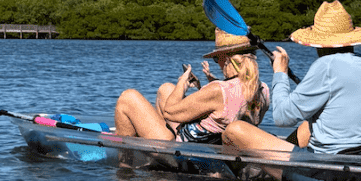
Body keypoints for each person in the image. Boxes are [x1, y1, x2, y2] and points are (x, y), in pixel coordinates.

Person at [222, 0, 361, 160]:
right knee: (306, 126)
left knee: (235, 130)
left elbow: (282, 117)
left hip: (330, 168)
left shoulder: (326, 65)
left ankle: (241, 180)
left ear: (319, 42)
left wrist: (280, 73)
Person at [114, 29, 270, 144]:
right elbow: (230, 105)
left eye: (217, 59)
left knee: (128, 97)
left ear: (228, 59)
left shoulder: (218, 89)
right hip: (211, 143)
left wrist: (183, 82)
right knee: (166, 88)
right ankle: (149, 135)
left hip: (185, 153)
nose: (218, 64)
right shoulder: (263, 89)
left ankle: (126, 160)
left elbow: (169, 112)